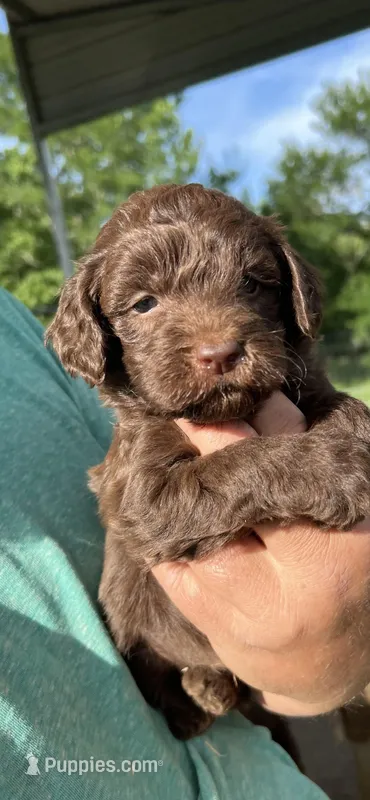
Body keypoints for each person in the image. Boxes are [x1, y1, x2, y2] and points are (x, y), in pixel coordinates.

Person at [0, 288, 368, 800]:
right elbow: (150, 517)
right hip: (160, 659)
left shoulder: (10, 325)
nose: (217, 335)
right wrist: (305, 472)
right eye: (145, 302)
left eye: (252, 286)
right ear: (96, 337)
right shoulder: (146, 415)